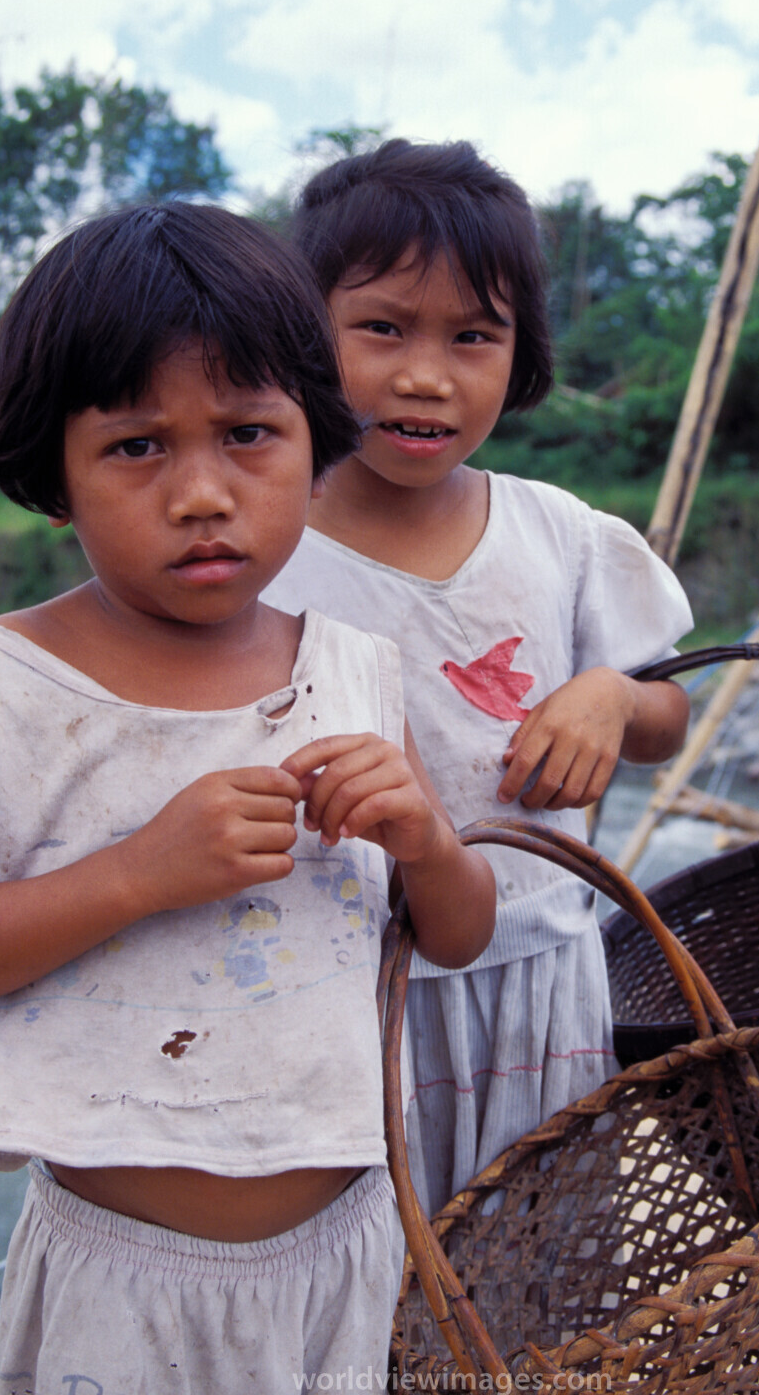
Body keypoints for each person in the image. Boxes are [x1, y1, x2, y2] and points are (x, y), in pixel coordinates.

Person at [0, 202, 495, 1395]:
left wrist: (430, 843)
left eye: (248, 434)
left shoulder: (354, 666)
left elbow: (453, 935)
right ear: (52, 477)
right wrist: (133, 875)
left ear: (314, 445)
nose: (201, 494)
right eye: (135, 447)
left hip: (347, 1255)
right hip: (121, 1283)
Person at [263, 138, 694, 1217]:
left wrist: (610, 695)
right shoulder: (266, 555)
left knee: (534, 1260)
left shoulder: (562, 535)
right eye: (381, 328)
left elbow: (667, 716)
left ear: (520, 353)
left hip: (548, 976)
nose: (425, 374)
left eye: (473, 336)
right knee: (382, 1270)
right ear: (303, 336)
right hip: (359, 990)